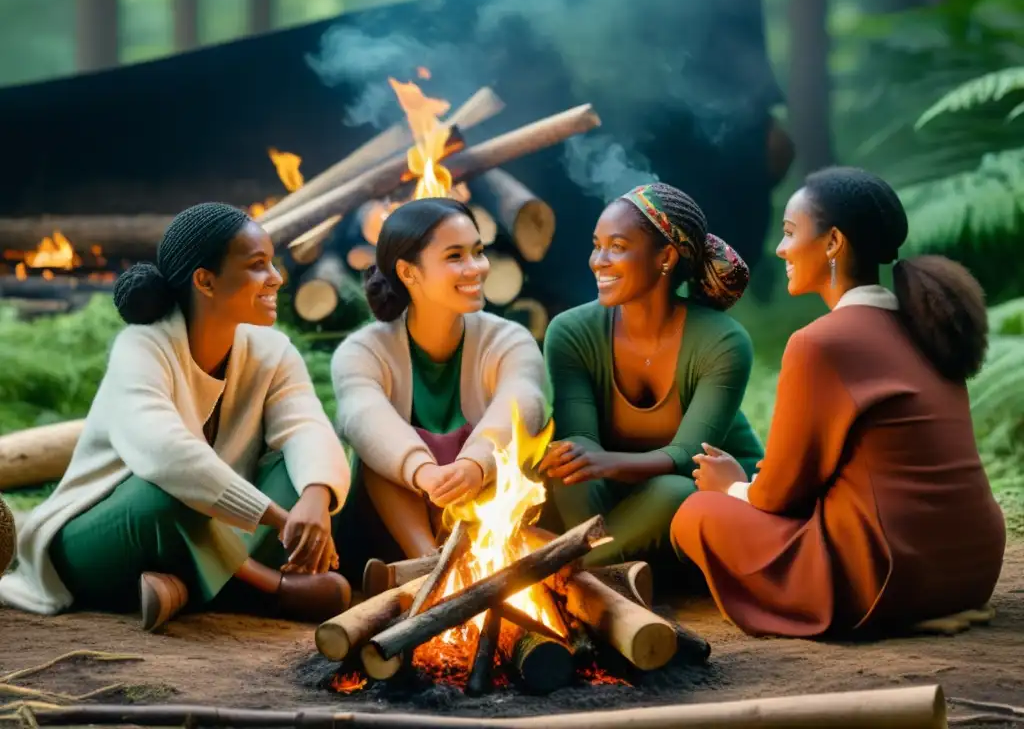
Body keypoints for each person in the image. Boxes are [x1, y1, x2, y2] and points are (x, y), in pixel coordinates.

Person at [672, 166, 1007, 638]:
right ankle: (915, 608)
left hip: (889, 575)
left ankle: (886, 613)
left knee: (694, 513)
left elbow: (780, 496)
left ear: (833, 243)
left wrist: (731, 486)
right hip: (971, 569)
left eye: (790, 233)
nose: (780, 248)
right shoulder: (927, 327)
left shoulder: (820, 343)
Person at [0, 203, 354, 632]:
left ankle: (181, 587)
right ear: (205, 280)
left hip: (208, 530)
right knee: (167, 493)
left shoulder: (273, 351)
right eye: (258, 265)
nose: (277, 278)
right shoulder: (141, 348)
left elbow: (306, 427)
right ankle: (269, 588)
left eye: (273, 264)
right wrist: (280, 519)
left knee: (310, 469)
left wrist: (314, 501)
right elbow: (166, 455)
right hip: (100, 541)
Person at [539, 182, 764, 567]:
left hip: (703, 493)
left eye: (618, 247)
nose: (599, 260)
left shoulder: (722, 340)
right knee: (567, 471)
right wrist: (586, 460)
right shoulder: (570, 331)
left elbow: (689, 455)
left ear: (666, 257)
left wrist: (607, 462)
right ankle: (608, 567)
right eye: (596, 245)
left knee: (674, 491)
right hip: (618, 501)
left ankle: (567, 570)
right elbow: (581, 439)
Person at [331, 198, 549, 559]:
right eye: (455, 257)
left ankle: (462, 564)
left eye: (478, 252)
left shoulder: (509, 340)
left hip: (484, 517)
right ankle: (429, 567)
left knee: (509, 451)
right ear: (408, 272)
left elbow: (524, 402)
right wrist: (422, 472)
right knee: (379, 457)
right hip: (391, 533)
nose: (476, 268)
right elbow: (363, 418)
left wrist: (475, 463)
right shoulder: (362, 351)